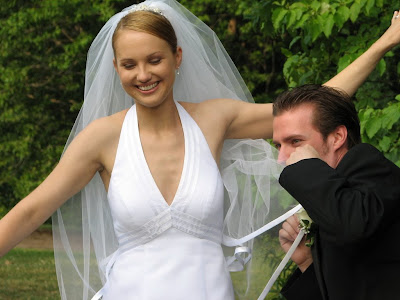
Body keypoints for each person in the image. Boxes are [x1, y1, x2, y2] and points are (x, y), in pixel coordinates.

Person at [0, 0, 399, 299]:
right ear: (117, 67)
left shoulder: (214, 118)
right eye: (129, 64)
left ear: (177, 57)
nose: (143, 75)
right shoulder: (101, 138)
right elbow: (33, 209)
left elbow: (317, 108)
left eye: (154, 60)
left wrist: (385, 42)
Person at [273, 84, 400, 300]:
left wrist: (306, 170)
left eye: (295, 141)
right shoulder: (333, 199)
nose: (282, 158)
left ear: (337, 137)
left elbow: (353, 225)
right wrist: (307, 262)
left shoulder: (368, 166)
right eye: (278, 145)